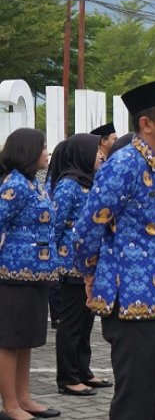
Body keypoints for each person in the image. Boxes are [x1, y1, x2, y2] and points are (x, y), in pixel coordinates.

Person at [74, 77, 155, 420]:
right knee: (134, 400)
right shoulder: (124, 165)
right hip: (132, 302)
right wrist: (91, 273)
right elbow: (87, 228)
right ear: (146, 124)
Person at [0, 128, 61, 420]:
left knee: (26, 338)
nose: (46, 152)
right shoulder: (14, 185)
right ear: (27, 151)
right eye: (42, 147)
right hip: (14, 275)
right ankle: (10, 405)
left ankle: (24, 398)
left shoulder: (34, 184)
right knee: (10, 340)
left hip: (37, 275)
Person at [49, 133, 112, 399]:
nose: (100, 155)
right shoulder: (69, 186)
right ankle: (68, 377)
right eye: (95, 150)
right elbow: (54, 225)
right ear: (82, 154)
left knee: (86, 323)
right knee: (72, 324)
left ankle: (84, 370)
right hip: (71, 265)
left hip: (90, 266)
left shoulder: (90, 183)